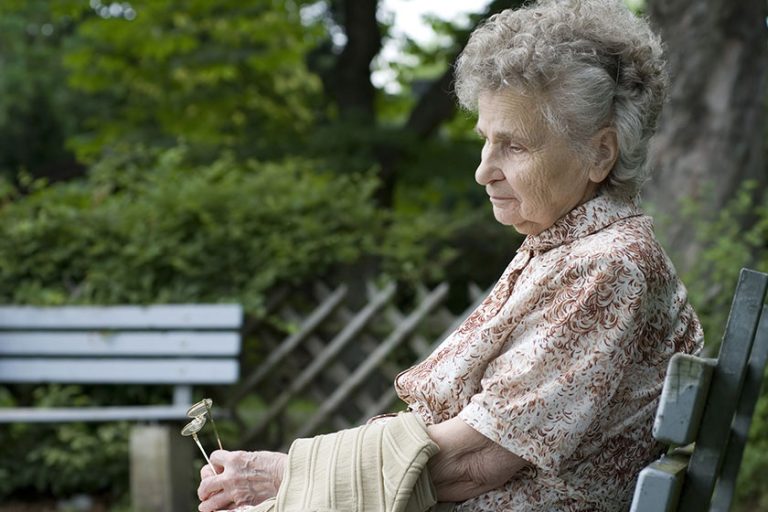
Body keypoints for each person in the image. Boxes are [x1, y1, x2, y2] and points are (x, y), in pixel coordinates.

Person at [197, 0, 703, 510]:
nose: (483, 170)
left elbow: (472, 461)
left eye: (515, 146)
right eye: (486, 141)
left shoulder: (607, 267)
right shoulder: (568, 247)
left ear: (600, 153)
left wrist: (285, 475)